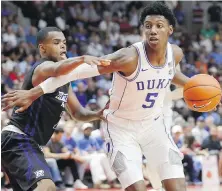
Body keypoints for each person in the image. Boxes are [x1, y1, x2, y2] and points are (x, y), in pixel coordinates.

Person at [4, 2, 211, 191]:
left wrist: (200, 87)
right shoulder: (128, 57)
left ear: (170, 30)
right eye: (148, 26)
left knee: (178, 187)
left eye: (158, 25)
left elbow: (169, 72)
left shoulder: (175, 54)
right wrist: (35, 92)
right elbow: (74, 71)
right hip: (121, 130)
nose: (153, 30)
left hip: (154, 126)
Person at [1, 26, 110, 191]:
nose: (63, 46)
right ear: (42, 48)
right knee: (47, 188)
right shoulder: (42, 68)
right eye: (57, 42)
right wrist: (81, 59)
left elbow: (77, 112)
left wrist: (98, 115)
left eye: (64, 43)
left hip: (32, 144)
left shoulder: (64, 82)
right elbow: (58, 68)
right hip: (19, 139)